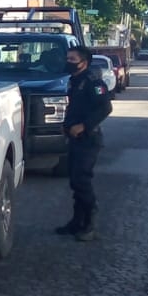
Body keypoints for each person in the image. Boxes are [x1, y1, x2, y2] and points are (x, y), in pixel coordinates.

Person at [55, 45, 113, 241]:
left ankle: (89, 223)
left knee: (82, 180)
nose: (68, 62)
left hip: (89, 139)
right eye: (68, 59)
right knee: (74, 180)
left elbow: (105, 107)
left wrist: (83, 126)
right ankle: (77, 221)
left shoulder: (92, 81)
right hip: (74, 138)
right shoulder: (75, 80)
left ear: (84, 62)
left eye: (72, 59)